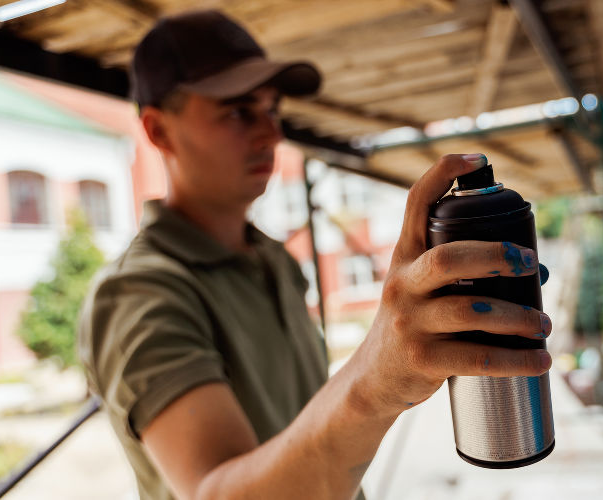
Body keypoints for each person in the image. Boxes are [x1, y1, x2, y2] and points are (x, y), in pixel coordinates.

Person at [78, 9, 553, 500]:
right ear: (157, 131)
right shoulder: (137, 295)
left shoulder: (272, 258)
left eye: (272, 110)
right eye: (238, 111)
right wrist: (375, 382)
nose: (271, 134)